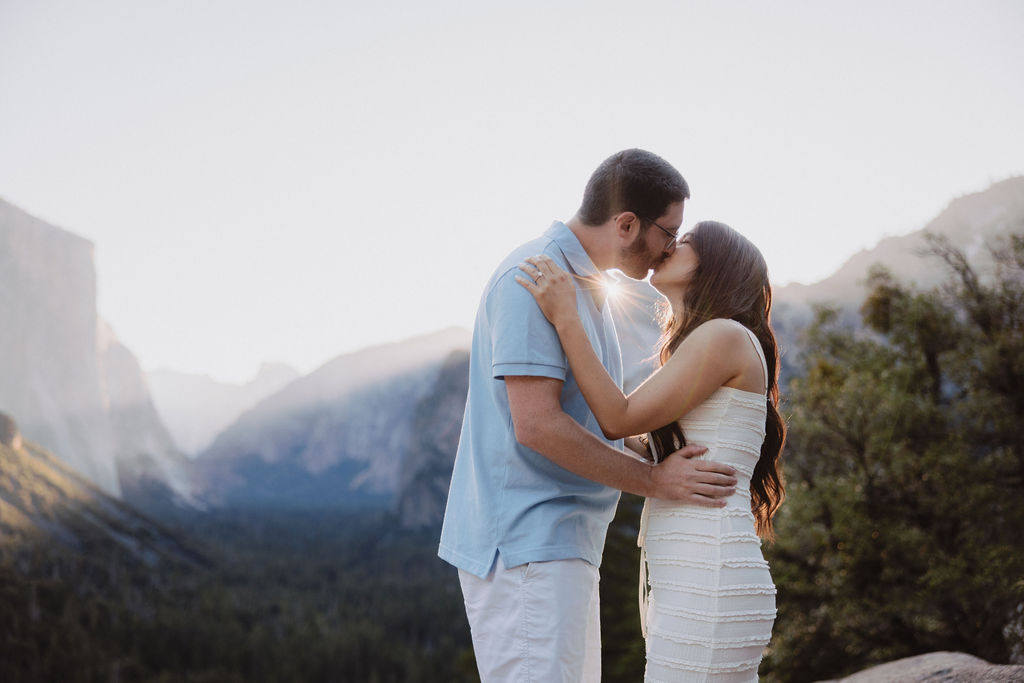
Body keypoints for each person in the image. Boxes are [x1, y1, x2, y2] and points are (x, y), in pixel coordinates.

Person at [438, 150, 740, 682]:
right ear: (626, 224)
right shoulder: (532, 278)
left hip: (562, 541)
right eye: (668, 232)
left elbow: (587, 416)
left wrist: (648, 450)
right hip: (526, 545)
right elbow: (537, 425)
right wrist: (654, 481)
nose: (671, 246)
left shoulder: (587, 288)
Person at [517, 220, 786, 682]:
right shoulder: (714, 340)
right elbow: (641, 439)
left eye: (685, 242)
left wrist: (567, 318)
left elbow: (618, 417)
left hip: (709, 573)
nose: (668, 248)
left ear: (715, 265)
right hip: (697, 572)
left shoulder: (722, 335)